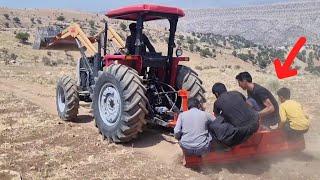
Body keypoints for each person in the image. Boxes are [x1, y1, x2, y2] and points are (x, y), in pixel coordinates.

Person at [209, 83, 259, 147]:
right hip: (256, 124)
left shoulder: (217, 102)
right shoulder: (236, 93)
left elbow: (216, 117)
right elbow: (248, 104)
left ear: (216, 93)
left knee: (216, 123)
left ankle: (224, 147)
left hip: (243, 132)